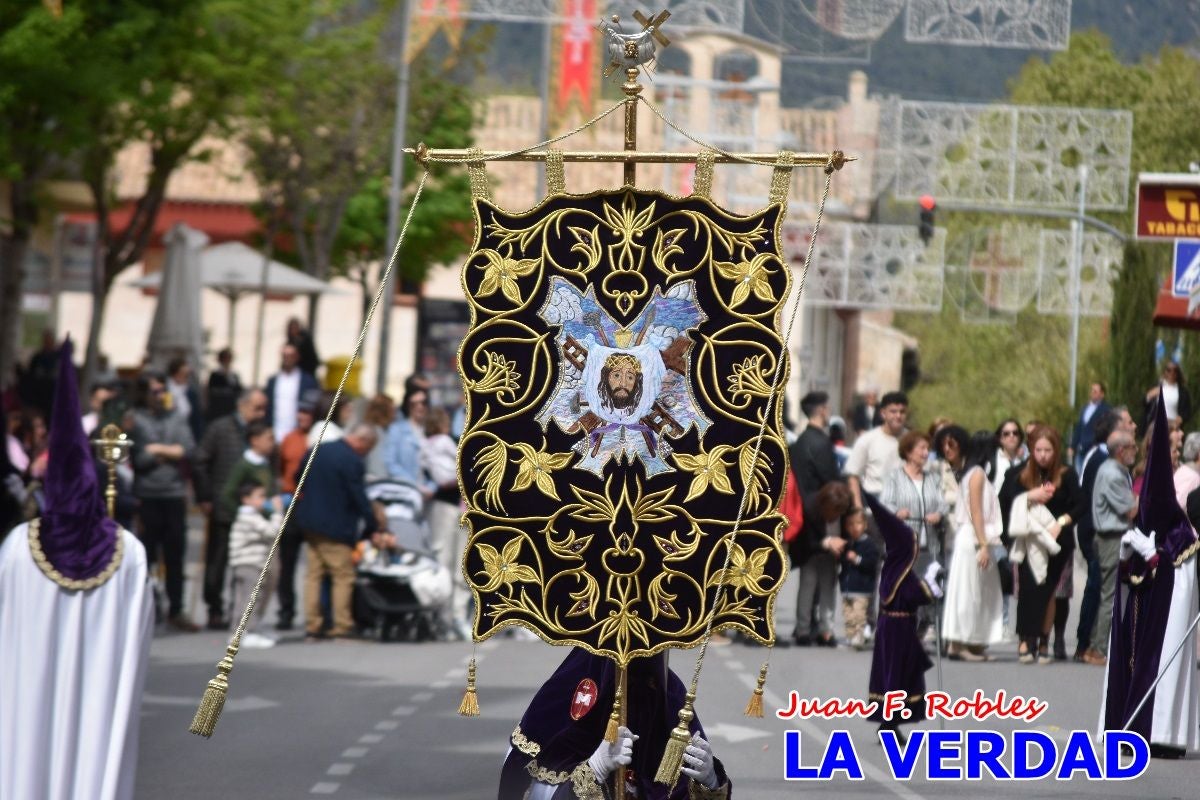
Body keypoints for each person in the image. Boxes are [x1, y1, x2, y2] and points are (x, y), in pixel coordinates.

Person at [0, 339, 154, 800]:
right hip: (97, 694)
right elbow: (139, 636)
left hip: (29, 685)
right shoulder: (130, 552)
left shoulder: (17, 548)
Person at [1102, 399, 1199, 758]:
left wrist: (1158, 555)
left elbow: (1178, 558)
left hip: (1169, 598)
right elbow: (1133, 573)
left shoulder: (1181, 529)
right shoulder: (1145, 513)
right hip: (1145, 600)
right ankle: (1130, 720)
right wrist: (1135, 554)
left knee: (1166, 652)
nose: (1175, 453)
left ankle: (1162, 729)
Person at [498, 649, 731, 799]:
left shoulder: (669, 693)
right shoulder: (570, 689)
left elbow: (676, 789)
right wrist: (594, 771)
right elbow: (531, 793)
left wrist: (710, 782)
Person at [290, 423, 383, 640]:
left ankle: (313, 624)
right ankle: (342, 625)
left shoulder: (318, 449)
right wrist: (372, 524)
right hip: (336, 526)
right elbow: (358, 497)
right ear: (363, 442)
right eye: (368, 449)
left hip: (309, 521)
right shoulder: (352, 461)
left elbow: (298, 478)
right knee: (343, 575)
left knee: (313, 574)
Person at [1000, 425, 1084, 665]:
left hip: (1057, 543)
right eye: (1038, 450)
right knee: (1028, 592)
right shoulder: (1018, 474)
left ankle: (1044, 641)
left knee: (1050, 594)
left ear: (1055, 451)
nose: (1043, 455)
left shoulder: (1066, 474)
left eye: (1048, 450)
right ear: (1031, 449)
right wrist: (1029, 497)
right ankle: (1025, 639)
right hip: (1028, 542)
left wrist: (1062, 522)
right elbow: (1004, 502)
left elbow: (1080, 504)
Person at [863, 492, 942, 745]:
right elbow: (917, 595)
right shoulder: (900, 574)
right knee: (897, 675)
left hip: (896, 628)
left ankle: (891, 724)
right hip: (899, 631)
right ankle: (889, 725)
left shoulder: (892, 570)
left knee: (896, 675)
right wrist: (933, 583)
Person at [192, 388, 268, 629]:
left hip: (253, 509)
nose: (261, 413)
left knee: (247, 562)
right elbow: (200, 461)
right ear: (242, 406)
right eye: (257, 408)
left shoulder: (260, 431)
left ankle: (240, 610)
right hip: (223, 505)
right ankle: (214, 607)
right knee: (218, 559)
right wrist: (204, 496)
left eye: (263, 408)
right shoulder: (221, 428)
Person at [131, 370, 198, 632]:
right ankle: (147, 606)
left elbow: (187, 449)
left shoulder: (176, 417)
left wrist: (157, 449)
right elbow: (139, 457)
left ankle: (176, 608)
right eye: (155, 391)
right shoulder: (135, 420)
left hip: (173, 494)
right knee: (147, 554)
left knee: (175, 554)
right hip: (146, 495)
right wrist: (165, 452)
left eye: (163, 390)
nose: (160, 396)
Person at [942, 430, 1004, 661]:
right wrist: (983, 545)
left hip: (970, 536)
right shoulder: (977, 474)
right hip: (973, 537)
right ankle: (962, 643)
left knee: (975, 590)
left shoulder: (971, 473)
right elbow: (976, 512)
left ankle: (969, 641)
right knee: (970, 591)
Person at [1080, 430, 1139, 667]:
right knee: (1109, 595)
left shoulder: (1114, 471)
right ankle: (1097, 648)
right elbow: (1130, 511)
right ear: (1121, 450)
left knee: (1109, 592)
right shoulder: (1112, 474)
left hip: (1113, 536)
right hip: (1111, 537)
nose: (1136, 451)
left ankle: (1098, 644)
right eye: (1133, 447)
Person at [1073, 410, 1121, 661]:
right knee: (1098, 589)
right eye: (1126, 424)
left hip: (1093, 528)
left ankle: (1086, 644)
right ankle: (1088, 645)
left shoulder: (1100, 455)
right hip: (1096, 530)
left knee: (1097, 589)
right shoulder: (1103, 459)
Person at [420, 406, 470, 640]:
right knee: (456, 562)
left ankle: (446, 617)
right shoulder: (441, 444)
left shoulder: (427, 446)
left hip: (446, 507)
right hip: (453, 506)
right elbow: (447, 477)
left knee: (445, 561)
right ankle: (453, 616)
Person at [789, 481, 851, 646]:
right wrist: (828, 542)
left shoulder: (845, 509)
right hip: (811, 552)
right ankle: (802, 630)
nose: (835, 516)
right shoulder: (809, 507)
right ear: (825, 505)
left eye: (839, 513)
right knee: (807, 588)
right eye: (833, 512)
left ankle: (826, 631)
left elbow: (850, 532)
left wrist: (843, 545)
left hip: (832, 556)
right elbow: (806, 541)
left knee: (828, 590)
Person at [274, 392, 317, 630]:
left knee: (314, 561)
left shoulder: (318, 436)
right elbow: (279, 468)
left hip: (310, 502)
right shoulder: (289, 439)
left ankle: (314, 613)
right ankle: (286, 610)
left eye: (307, 412)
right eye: (300, 412)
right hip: (291, 500)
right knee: (287, 561)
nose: (303, 416)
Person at [227, 480, 283, 649]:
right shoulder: (248, 517)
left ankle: (243, 630)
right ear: (246, 499)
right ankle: (247, 632)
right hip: (249, 563)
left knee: (243, 599)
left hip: (248, 563)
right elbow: (272, 531)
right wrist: (277, 512)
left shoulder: (250, 516)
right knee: (252, 599)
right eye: (260, 496)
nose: (264, 500)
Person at [844, 391, 907, 510]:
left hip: (905, 504)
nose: (898, 416)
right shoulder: (867, 440)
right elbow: (853, 475)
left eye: (902, 412)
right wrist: (858, 507)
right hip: (875, 501)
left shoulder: (911, 440)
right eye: (893, 411)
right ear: (883, 413)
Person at [218, 421, 278, 521]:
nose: (273, 443)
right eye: (269, 438)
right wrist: (242, 514)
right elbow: (227, 494)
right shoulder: (244, 465)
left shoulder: (267, 462)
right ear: (255, 440)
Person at [788, 391, 840, 501]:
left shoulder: (800, 440)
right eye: (828, 409)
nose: (829, 413)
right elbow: (832, 481)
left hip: (801, 506)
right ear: (822, 410)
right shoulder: (822, 443)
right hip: (818, 509)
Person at [839, 506, 878, 650]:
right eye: (850, 524)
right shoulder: (848, 543)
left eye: (858, 523)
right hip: (848, 588)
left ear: (865, 525)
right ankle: (850, 637)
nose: (854, 527)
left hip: (862, 589)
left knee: (859, 615)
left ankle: (859, 636)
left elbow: (871, 563)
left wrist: (857, 559)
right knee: (848, 616)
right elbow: (843, 562)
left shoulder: (869, 544)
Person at [384, 385, 436, 495]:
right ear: (407, 406)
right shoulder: (396, 430)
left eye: (423, 402)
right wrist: (415, 486)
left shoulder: (432, 430)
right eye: (414, 404)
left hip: (429, 496)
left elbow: (438, 465)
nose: (419, 407)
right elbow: (391, 464)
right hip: (404, 492)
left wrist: (431, 488)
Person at [266, 344, 320, 444]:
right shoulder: (272, 381)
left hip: (297, 435)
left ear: (297, 357)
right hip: (275, 434)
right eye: (284, 356)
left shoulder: (308, 381)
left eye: (290, 355)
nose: (287, 359)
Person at [1070, 382, 1110, 472]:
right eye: (1092, 390)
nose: (1092, 393)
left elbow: (1104, 430)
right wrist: (1072, 446)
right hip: (1081, 450)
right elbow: (1079, 427)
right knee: (1078, 477)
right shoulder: (1084, 408)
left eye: (1095, 391)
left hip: (1093, 449)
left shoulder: (1106, 410)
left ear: (1102, 394)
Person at [165, 356, 204, 442]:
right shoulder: (165, 390)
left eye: (188, 375)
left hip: (185, 435)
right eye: (184, 374)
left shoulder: (191, 393)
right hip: (167, 434)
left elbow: (196, 419)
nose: (187, 378)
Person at [1144, 361, 1191, 429]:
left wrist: (1181, 418)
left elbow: (1187, 412)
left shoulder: (1183, 391)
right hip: (1156, 426)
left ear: (1178, 373)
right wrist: (1149, 396)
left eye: (1175, 370)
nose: (1172, 373)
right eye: (1169, 370)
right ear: (1165, 372)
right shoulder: (1157, 386)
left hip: (1174, 428)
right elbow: (1145, 404)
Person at [363, 393, 396, 480]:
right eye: (392, 410)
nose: (395, 414)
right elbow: (377, 466)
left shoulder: (380, 430)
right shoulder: (375, 433)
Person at [205, 347, 242, 422]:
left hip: (230, 406)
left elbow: (238, 389)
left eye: (229, 359)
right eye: (226, 359)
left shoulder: (234, 375)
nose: (228, 361)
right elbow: (211, 390)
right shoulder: (215, 374)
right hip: (218, 407)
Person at [992, 419, 1025, 494]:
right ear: (1000, 438)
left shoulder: (1025, 463)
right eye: (1006, 434)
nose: (1011, 436)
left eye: (1015, 433)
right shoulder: (992, 462)